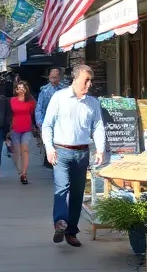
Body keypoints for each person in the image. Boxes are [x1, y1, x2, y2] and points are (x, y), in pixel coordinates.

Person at [42, 64, 106, 247]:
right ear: (75, 78)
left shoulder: (92, 103)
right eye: (87, 80)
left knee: (77, 193)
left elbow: (98, 126)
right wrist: (49, 147)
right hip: (61, 151)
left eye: (91, 80)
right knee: (61, 187)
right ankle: (60, 222)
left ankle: (71, 231)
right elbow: (47, 125)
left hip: (82, 152)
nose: (90, 84)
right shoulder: (59, 98)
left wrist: (100, 149)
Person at [9, 79, 37, 184]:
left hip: (27, 127)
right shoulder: (12, 100)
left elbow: (35, 114)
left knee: (24, 149)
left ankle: (24, 174)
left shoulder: (31, 101)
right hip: (15, 127)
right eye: (18, 88)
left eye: (22, 88)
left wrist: (37, 126)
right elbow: (9, 114)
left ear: (26, 89)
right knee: (16, 151)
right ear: (16, 90)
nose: (20, 90)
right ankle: (20, 171)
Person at [34, 68, 64, 166]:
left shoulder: (65, 89)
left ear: (59, 77)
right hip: (49, 121)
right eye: (52, 77)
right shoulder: (45, 90)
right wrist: (40, 123)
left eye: (56, 77)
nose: (54, 80)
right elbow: (39, 108)